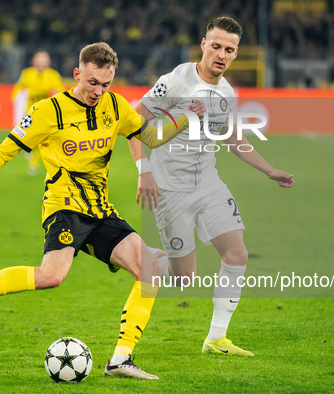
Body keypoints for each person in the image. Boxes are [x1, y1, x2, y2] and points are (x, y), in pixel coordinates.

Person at [0, 42, 204, 379]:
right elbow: (4, 150)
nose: (98, 91)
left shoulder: (114, 105)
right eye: (92, 83)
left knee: (149, 272)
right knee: (52, 276)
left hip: (100, 210)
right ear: (77, 74)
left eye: (106, 84)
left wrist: (185, 117)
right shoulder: (48, 111)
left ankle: (120, 360)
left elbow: (150, 136)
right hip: (64, 207)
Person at [129, 16, 295, 356]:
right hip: (169, 191)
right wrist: (143, 170)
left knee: (237, 253)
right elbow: (134, 121)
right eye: (216, 46)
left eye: (229, 50)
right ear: (203, 45)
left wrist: (269, 170)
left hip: (208, 184)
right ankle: (137, 257)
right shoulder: (176, 79)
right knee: (182, 278)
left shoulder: (226, 92)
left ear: (236, 54)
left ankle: (216, 338)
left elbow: (232, 137)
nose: (221, 54)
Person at [11, 50, 64, 175]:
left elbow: (60, 91)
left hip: (45, 112)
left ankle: (33, 164)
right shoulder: (27, 73)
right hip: (29, 111)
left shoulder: (53, 75)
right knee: (26, 136)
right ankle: (29, 147)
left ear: (48, 62)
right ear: (34, 61)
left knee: (42, 138)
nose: (41, 62)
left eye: (44, 60)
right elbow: (19, 86)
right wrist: (13, 98)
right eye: (39, 59)